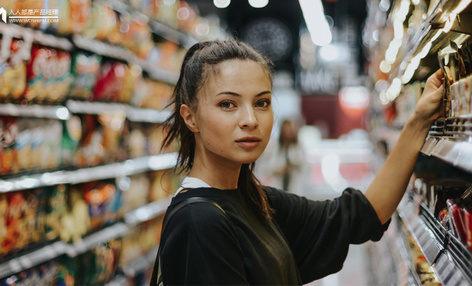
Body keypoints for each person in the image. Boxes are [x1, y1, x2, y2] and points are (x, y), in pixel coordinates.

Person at [150, 40, 444, 285]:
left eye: (262, 103)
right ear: (190, 117)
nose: (250, 120)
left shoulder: (254, 199)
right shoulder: (200, 221)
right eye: (228, 104)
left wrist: (418, 121)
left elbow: (359, 215)